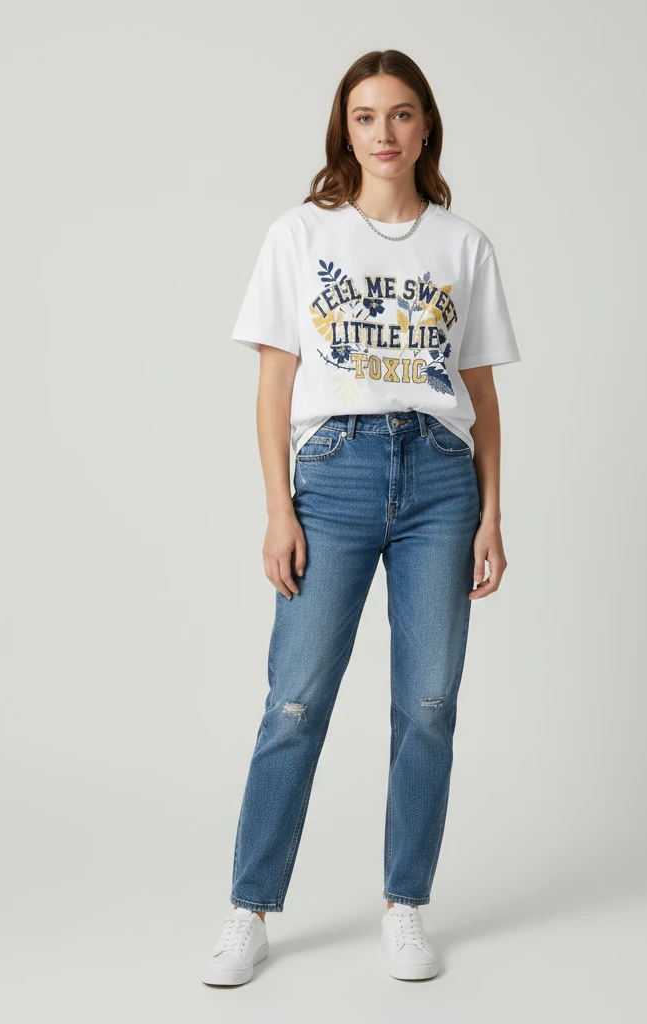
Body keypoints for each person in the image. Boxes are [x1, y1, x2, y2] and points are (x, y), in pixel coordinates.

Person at [202, 49, 521, 986]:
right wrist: (279, 508)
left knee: (428, 704)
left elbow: (482, 398)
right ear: (344, 131)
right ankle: (250, 909)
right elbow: (274, 387)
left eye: (402, 114)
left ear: (426, 128)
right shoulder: (301, 234)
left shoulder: (462, 246)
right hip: (333, 477)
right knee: (295, 700)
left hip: (441, 484)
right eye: (366, 116)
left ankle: (405, 903)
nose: (384, 133)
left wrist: (493, 514)